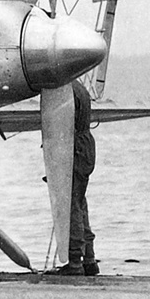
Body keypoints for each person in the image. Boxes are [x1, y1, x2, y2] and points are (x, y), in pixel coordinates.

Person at [55, 78, 98, 276]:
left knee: (72, 204)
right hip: (85, 146)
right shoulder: (80, 88)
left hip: (75, 148)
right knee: (80, 202)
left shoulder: (66, 89)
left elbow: (61, 124)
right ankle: (89, 259)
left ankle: (75, 262)